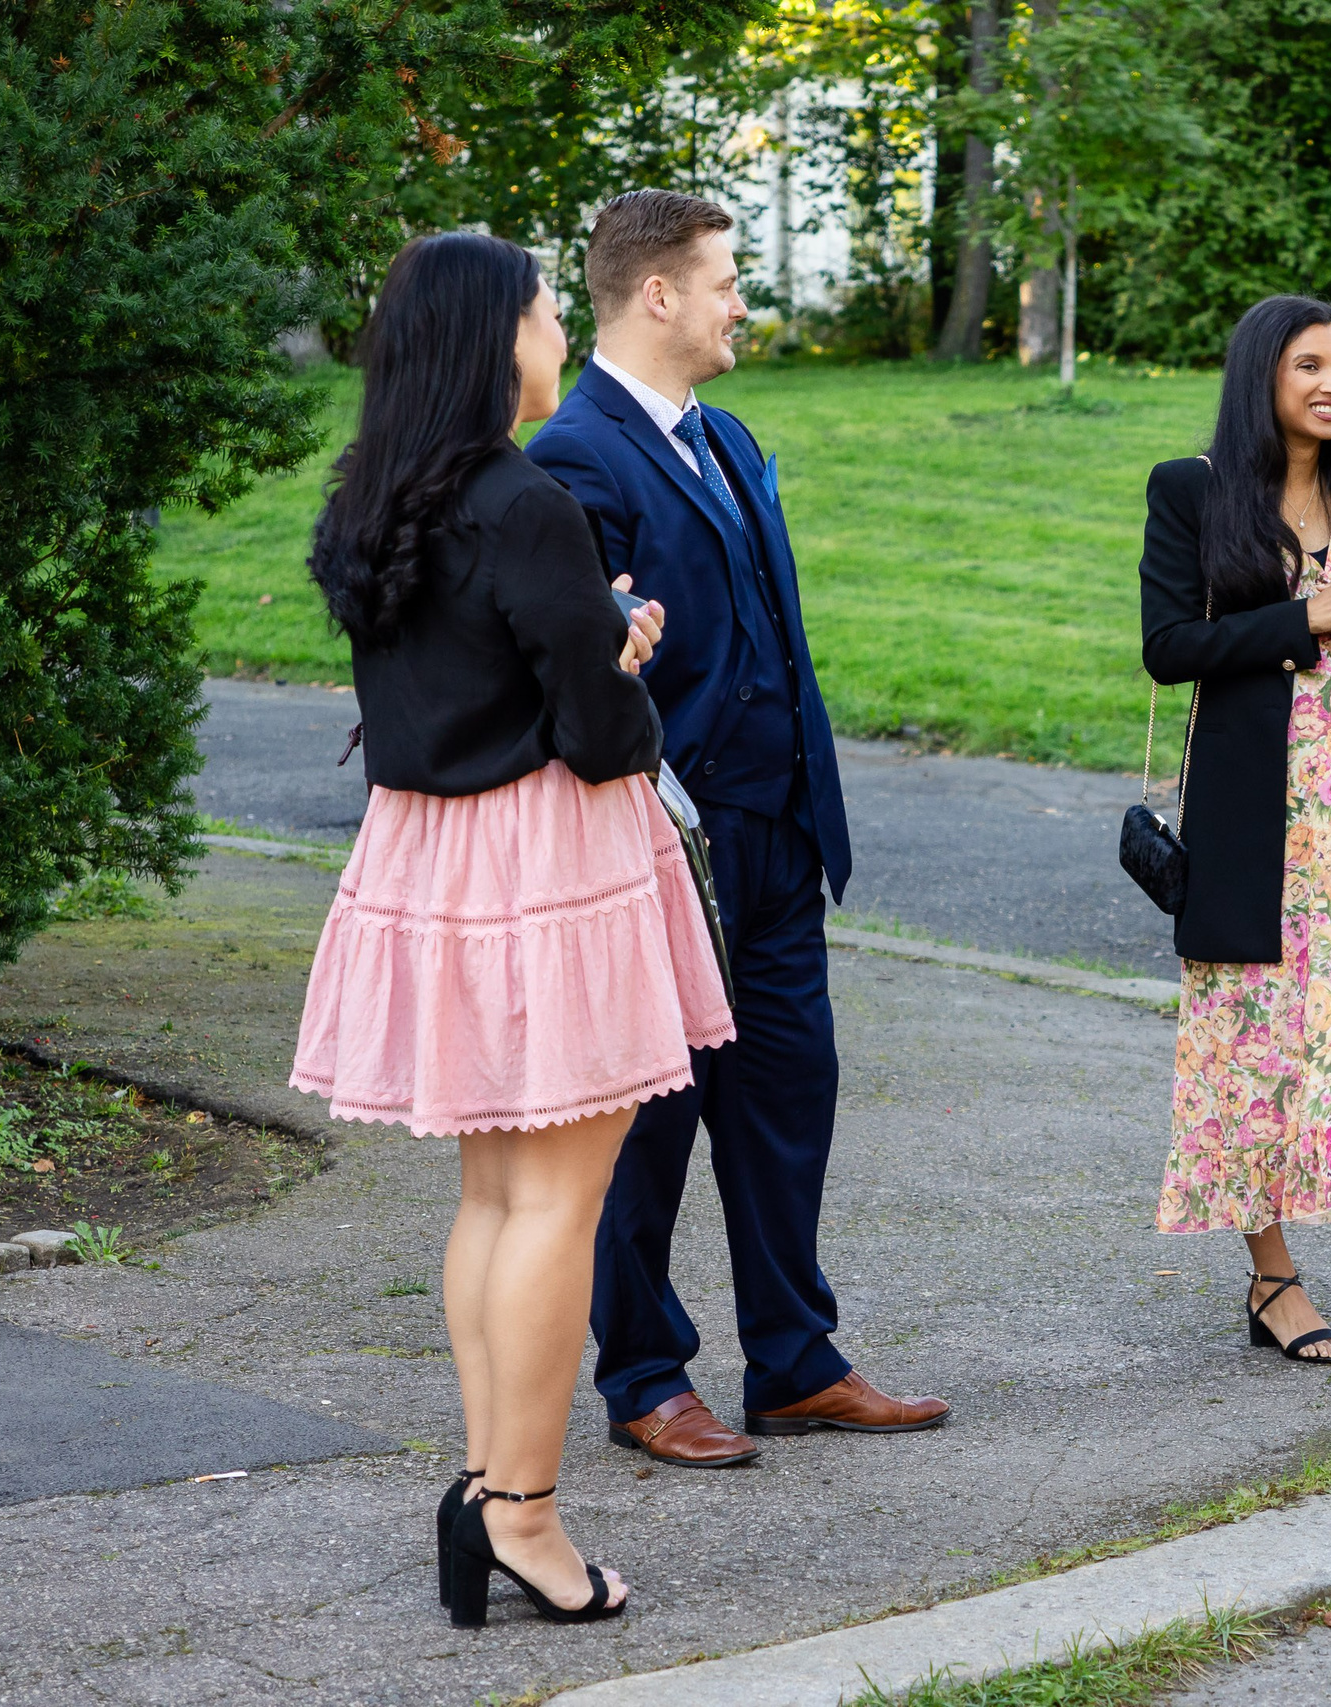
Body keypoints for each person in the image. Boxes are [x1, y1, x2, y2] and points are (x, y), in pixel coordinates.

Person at [292, 231, 730, 1625]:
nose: (555, 336)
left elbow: (460, 674)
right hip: (544, 860)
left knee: (495, 1194)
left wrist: (588, 640)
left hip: (434, 857)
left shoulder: (379, 499)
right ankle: (525, 1512)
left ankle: (493, 1484)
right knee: (557, 1199)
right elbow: (599, 734)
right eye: (543, 315)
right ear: (496, 340)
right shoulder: (522, 498)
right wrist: (622, 656)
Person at [526, 190, 948, 1462]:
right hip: (663, 848)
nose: (739, 302)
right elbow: (578, 679)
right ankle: (645, 1378)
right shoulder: (574, 457)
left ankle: (795, 1360)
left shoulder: (734, 435)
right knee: (647, 1130)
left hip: (776, 841)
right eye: (723, 280)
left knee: (784, 1106)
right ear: (657, 294)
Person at [1141, 295, 1331, 1365]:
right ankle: (1273, 1282)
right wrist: (1306, 618)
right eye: (1309, 365)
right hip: (1260, 827)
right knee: (1256, 1049)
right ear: (1261, 375)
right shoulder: (1193, 490)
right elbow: (1169, 644)